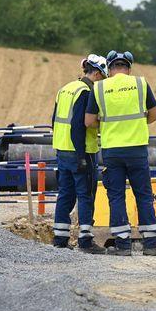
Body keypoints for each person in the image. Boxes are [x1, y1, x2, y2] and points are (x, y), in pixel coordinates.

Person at [85, 51, 156, 257]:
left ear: (109, 69)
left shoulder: (100, 87)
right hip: (137, 149)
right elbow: (155, 115)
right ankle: (151, 245)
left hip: (112, 151)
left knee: (117, 196)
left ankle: (122, 245)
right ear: (129, 68)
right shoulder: (140, 83)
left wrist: (108, 126)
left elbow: (88, 121)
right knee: (144, 195)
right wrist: (136, 124)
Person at [50, 54, 108, 254]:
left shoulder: (66, 88)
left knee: (65, 194)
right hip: (81, 151)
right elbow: (78, 125)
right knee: (85, 195)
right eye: (103, 77)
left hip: (62, 150)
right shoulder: (85, 92)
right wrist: (82, 155)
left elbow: (54, 120)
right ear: (98, 73)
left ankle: (60, 238)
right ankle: (85, 241)